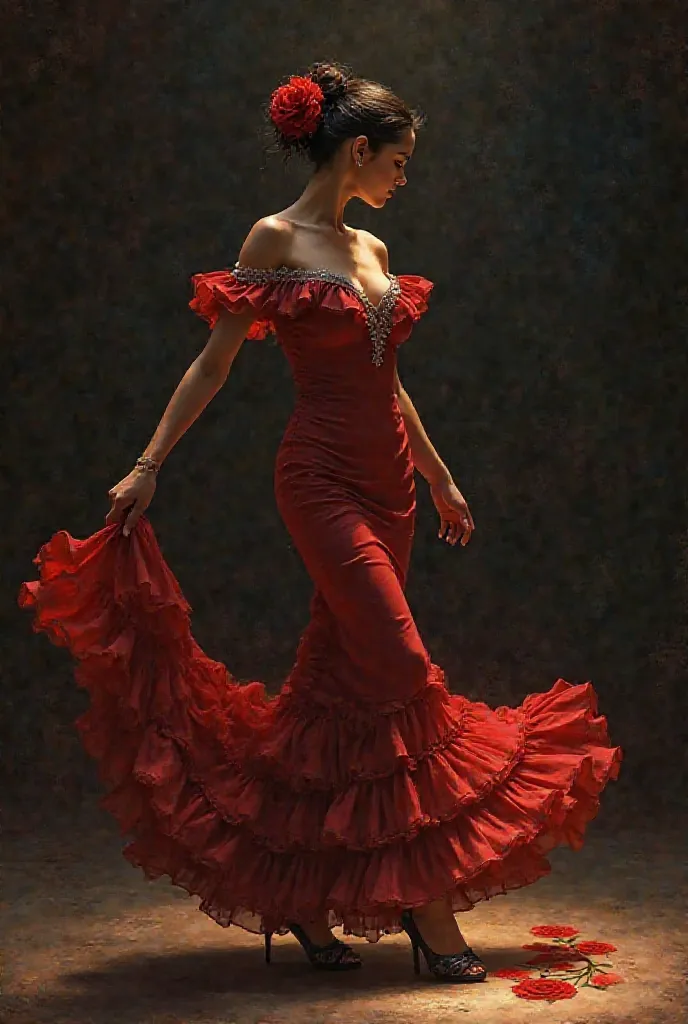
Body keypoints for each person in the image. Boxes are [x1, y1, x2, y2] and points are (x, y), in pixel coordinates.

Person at [19, 61, 622, 985]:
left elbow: (391, 385)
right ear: (356, 151)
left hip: (392, 489)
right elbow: (214, 364)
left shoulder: (375, 252)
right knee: (400, 669)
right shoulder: (273, 238)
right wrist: (147, 464)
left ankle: (295, 895)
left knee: (338, 694)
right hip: (320, 481)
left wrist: (443, 478)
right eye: (400, 160)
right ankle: (430, 909)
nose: (405, 176)